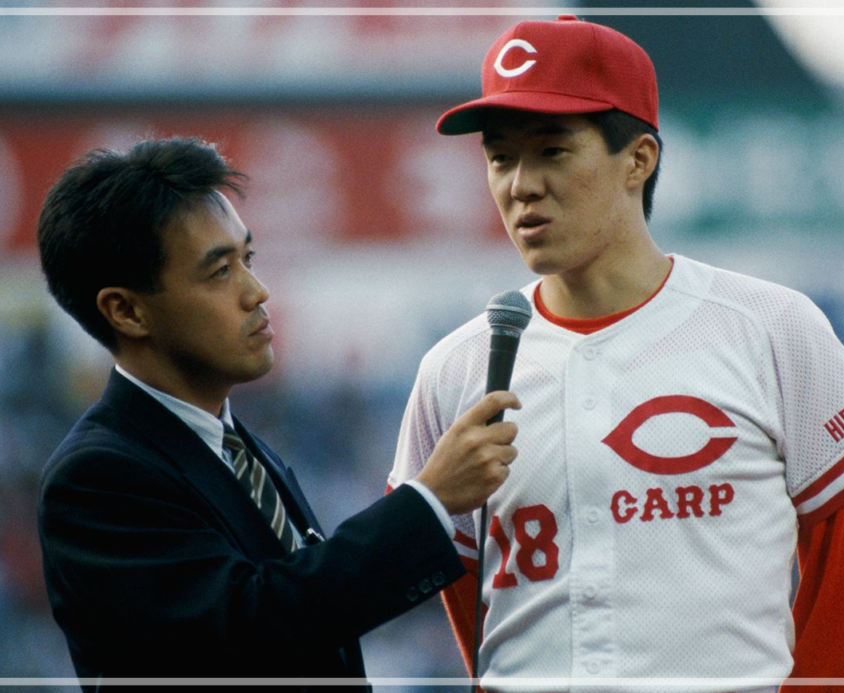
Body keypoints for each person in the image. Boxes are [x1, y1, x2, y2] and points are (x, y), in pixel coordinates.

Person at [388, 15, 844, 692]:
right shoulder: (456, 368)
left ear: (639, 158)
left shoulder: (770, 325)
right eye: (500, 157)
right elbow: (459, 583)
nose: (520, 184)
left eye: (552, 150)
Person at [36, 137, 520, 688]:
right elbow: (251, 627)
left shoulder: (234, 445)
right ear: (125, 310)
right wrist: (430, 502)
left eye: (248, 258)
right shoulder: (99, 477)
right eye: (219, 272)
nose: (257, 291)